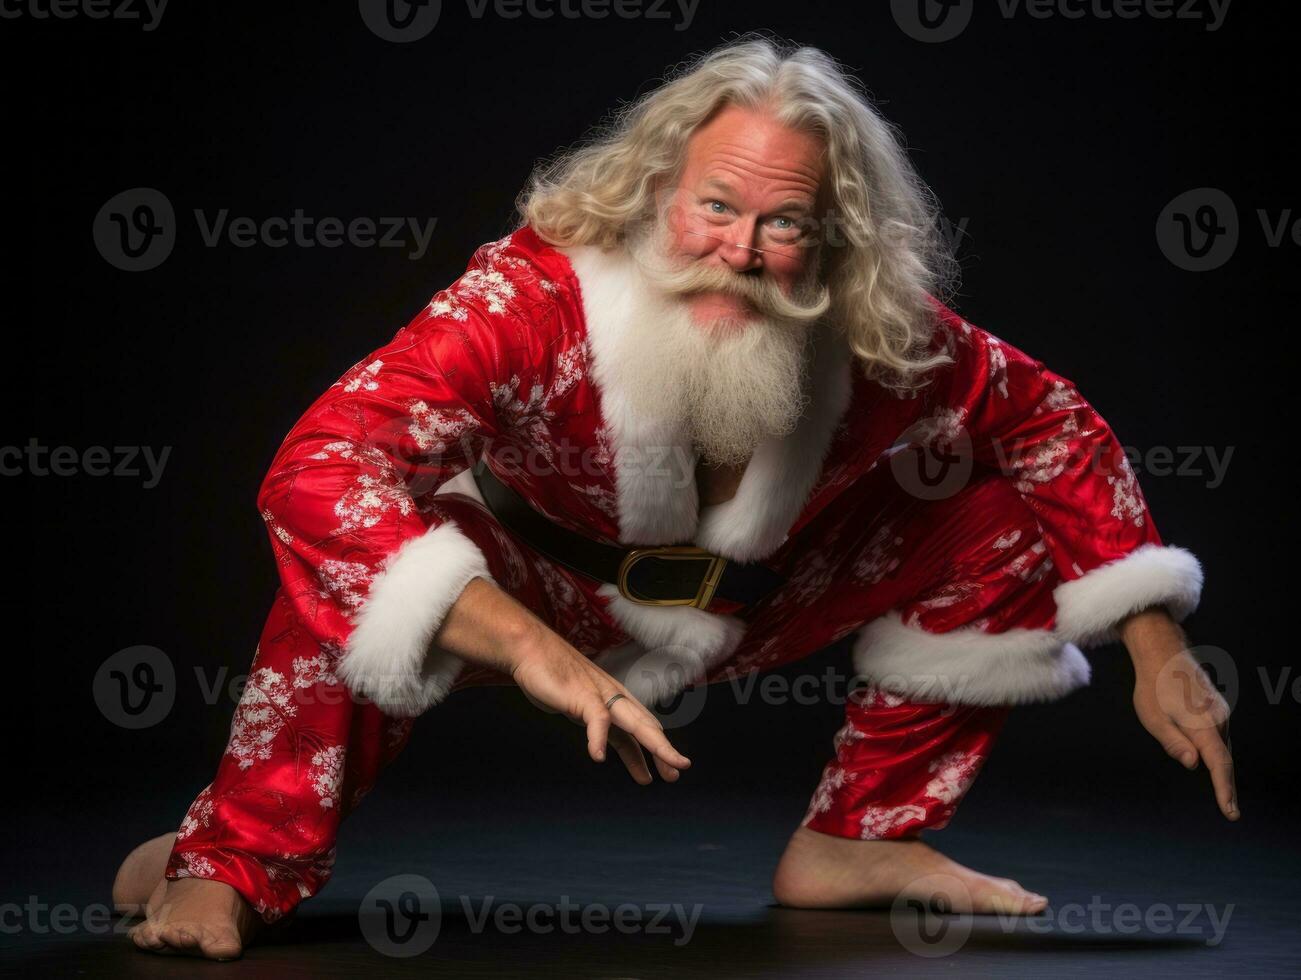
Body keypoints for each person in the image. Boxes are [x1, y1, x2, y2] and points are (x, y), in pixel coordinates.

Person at [114, 37, 1235, 961]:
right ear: (659, 189)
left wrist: (1149, 636)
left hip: (740, 603)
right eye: (713, 207)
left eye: (783, 223)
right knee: (363, 555)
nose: (738, 251)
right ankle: (231, 859)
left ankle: (858, 836)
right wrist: (531, 647)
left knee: (1004, 523)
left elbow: (1049, 422)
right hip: (518, 580)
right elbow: (315, 465)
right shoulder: (528, 296)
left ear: (830, 239)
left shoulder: (878, 337)